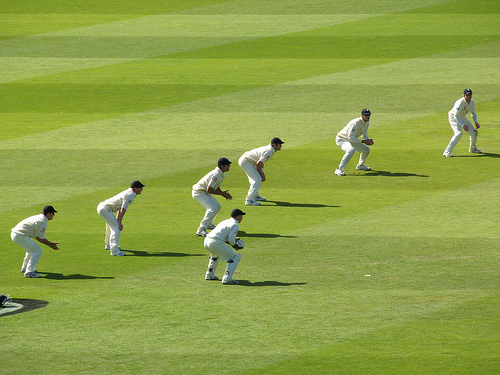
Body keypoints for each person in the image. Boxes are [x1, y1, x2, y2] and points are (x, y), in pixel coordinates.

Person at [97, 180, 144, 256]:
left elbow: (120, 208)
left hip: (102, 207)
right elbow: (123, 209)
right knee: (116, 227)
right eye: (140, 187)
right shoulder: (130, 195)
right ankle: (114, 250)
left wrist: (118, 220)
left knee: (112, 226)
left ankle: (109, 245)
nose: (142, 189)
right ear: (135, 188)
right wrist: (119, 222)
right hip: (105, 209)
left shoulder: (129, 192)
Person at [11, 205, 60, 278]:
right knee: (37, 251)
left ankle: (25, 268)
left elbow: (37, 236)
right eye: (53, 213)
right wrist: (50, 244)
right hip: (20, 235)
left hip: (17, 234)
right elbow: (41, 238)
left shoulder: (40, 218)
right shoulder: (41, 221)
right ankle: (29, 272)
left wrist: (49, 244)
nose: (54, 215)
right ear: (49, 214)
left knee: (31, 250)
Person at [192, 158, 233, 237]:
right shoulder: (216, 174)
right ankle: (201, 229)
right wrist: (222, 194)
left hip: (205, 192)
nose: (229, 166)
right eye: (227, 165)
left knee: (218, 206)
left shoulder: (222, 173)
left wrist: (222, 193)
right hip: (199, 192)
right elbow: (209, 189)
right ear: (222, 166)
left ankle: (209, 224)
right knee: (212, 208)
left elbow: (216, 187)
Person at [203, 209, 246, 285]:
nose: (242, 217)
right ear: (238, 216)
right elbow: (231, 239)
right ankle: (227, 279)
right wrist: (235, 245)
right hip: (215, 242)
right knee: (233, 257)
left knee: (215, 255)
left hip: (207, 241)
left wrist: (232, 242)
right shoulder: (235, 225)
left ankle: (209, 275)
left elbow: (223, 235)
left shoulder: (225, 221)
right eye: (241, 216)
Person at [238, 137, 284, 206]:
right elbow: (259, 163)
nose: (281, 145)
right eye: (279, 144)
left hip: (250, 161)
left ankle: (255, 195)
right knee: (257, 179)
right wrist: (262, 174)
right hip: (246, 161)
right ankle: (249, 200)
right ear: (274, 145)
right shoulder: (268, 151)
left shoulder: (271, 150)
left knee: (257, 179)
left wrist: (262, 173)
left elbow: (261, 163)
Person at [334, 108, 374, 176]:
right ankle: (339, 169)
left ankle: (360, 165)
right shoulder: (355, 123)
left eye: (369, 115)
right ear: (362, 116)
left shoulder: (367, 123)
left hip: (352, 139)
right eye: (366, 115)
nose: (368, 117)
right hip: (342, 139)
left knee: (366, 150)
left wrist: (367, 140)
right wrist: (363, 141)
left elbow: (364, 134)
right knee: (351, 150)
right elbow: (350, 137)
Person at [443, 88, 481, 157]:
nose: (470, 96)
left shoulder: (472, 102)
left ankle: (473, 148)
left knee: (474, 132)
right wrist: (463, 125)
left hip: (463, 117)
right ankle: (447, 152)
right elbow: (456, 115)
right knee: (459, 134)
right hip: (453, 118)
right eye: (468, 95)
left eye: (471, 95)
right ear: (463, 95)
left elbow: (473, 113)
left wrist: (475, 121)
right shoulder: (459, 103)